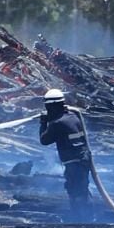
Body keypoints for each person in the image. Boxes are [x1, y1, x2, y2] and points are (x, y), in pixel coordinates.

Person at [38, 88, 94, 218]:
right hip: (82, 160)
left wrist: (43, 122)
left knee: (76, 192)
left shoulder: (57, 123)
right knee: (82, 191)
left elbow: (44, 140)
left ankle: (82, 221)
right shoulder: (73, 116)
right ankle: (87, 218)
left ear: (51, 106)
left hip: (74, 164)